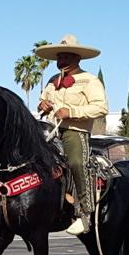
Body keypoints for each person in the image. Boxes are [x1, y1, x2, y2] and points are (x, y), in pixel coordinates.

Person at [36, 34, 108, 235]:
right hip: (50, 131)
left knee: (76, 163)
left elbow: (101, 108)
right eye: (60, 57)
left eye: (67, 56)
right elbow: (42, 103)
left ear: (78, 58)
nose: (63, 61)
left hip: (75, 132)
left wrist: (72, 112)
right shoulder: (52, 81)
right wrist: (42, 105)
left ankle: (85, 212)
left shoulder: (89, 80)